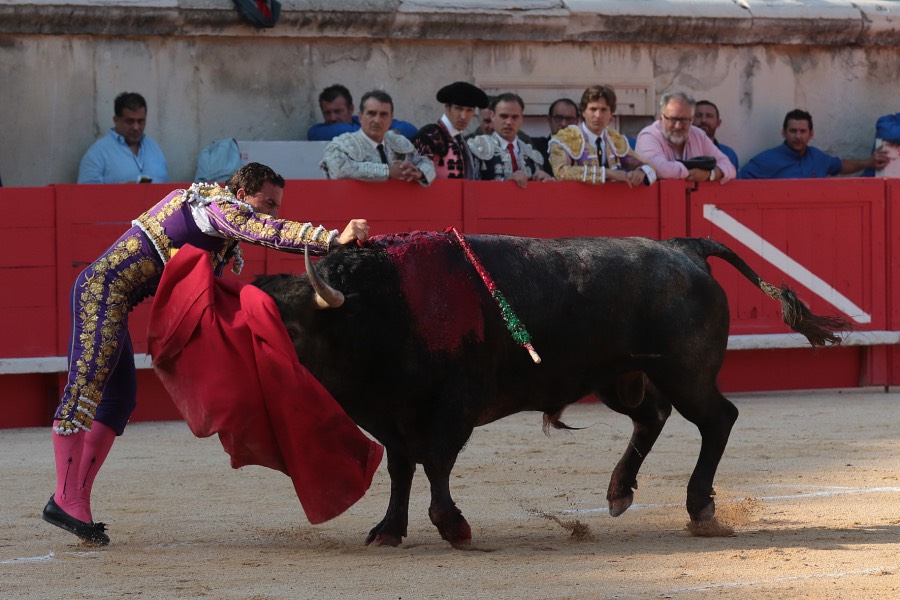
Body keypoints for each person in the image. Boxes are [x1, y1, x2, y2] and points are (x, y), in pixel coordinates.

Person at [42, 162, 370, 545]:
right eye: (268, 202)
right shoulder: (217, 207)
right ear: (243, 193)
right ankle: (65, 497)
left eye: (277, 205)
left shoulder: (213, 220)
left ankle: (75, 498)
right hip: (100, 292)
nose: (272, 212)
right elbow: (262, 230)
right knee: (86, 387)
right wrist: (329, 239)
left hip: (116, 300)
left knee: (118, 402)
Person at [319, 90, 435, 186]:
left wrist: (417, 172)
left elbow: (424, 162)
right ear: (360, 117)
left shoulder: (397, 142)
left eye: (383, 114)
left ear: (391, 119)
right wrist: (387, 172)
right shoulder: (342, 144)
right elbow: (339, 169)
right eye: (371, 113)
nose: (377, 120)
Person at [548, 85, 656, 187]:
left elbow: (648, 166)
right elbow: (560, 172)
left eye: (603, 110)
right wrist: (607, 174)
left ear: (611, 114)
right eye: (593, 109)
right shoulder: (564, 139)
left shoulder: (615, 139)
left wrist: (641, 172)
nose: (598, 116)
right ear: (583, 112)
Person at [738, 109, 889, 179]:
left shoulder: (817, 157)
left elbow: (840, 166)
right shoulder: (765, 160)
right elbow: (740, 181)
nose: (798, 136)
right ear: (784, 133)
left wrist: (868, 163)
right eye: (793, 131)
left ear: (811, 134)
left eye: (803, 131)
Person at [635, 91, 736, 183]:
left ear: (691, 120)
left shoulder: (698, 135)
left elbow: (729, 167)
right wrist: (693, 171)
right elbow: (659, 168)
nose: (678, 126)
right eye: (673, 119)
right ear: (661, 118)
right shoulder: (649, 136)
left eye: (684, 120)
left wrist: (709, 175)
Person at [77, 92, 169, 184]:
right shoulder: (97, 154)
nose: (136, 127)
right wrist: (121, 192)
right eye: (130, 121)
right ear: (116, 120)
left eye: (140, 121)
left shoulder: (155, 149)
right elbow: (85, 195)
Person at [467, 93, 552, 188]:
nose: (509, 122)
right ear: (492, 116)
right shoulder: (477, 147)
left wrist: (545, 180)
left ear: (521, 119)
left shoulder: (531, 153)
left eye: (515, 117)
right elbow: (470, 188)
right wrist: (506, 184)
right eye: (503, 116)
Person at [412, 81, 489, 179]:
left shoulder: (462, 141)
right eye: (458, 109)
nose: (463, 116)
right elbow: (416, 173)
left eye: (469, 110)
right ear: (447, 107)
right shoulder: (430, 135)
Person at [306, 84, 418, 142]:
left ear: (351, 109)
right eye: (327, 113)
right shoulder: (319, 131)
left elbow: (409, 130)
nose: (333, 117)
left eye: (338, 111)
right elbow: (314, 134)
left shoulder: (367, 120)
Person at [531, 98, 580, 174]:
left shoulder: (584, 150)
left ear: (577, 121)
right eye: (558, 118)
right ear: (549, 120)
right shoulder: (535, 147)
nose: (563, 123)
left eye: (569, 119)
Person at [693, 100, 740, 170]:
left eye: (709, 116)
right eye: (698, 116)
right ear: (690, 120)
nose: (703, 120)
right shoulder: (681, 151)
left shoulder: (728, 154)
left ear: (718, 123)